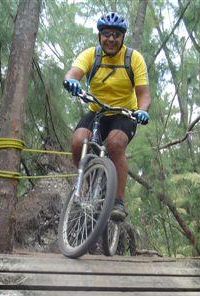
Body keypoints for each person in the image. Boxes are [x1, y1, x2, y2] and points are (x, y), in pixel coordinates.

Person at [63, 11, 151, 221]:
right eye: (106, 34)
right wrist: (71, 81)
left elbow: (144, 94)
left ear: (123, 37)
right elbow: (73, 72)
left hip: (125, 114)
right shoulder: (91, 55)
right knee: (77, 142)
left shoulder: (133, 58)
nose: (111, 39)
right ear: (99, 35)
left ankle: (118, 201)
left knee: (115, 143)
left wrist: (143, 110)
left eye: (116, 35)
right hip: (97, 111)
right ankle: (87, 182)